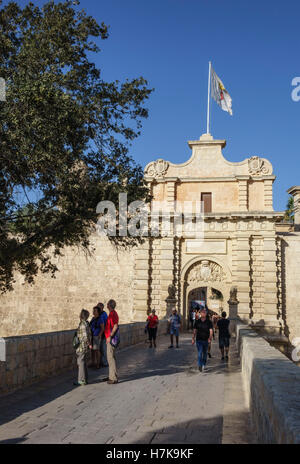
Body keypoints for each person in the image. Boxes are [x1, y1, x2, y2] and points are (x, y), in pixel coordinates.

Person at [74, 309, 92, 386]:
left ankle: (81, 380)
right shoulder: (86, 323)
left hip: (82, 346)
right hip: (84, 346)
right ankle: (85, 379)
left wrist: (89, 344)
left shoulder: (82, 325)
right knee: (83, 362)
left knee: (80, 363)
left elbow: (85, 337)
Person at [192, 307, 213, 372]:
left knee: (205, 353)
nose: (203, 313)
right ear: (200, 313)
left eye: (204, 312)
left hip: (206, 340)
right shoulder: (197, 322)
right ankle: (200, 365)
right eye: (202, 312)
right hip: (199, 340)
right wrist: (193, 338)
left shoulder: (209, 322)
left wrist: (210, 338)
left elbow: (211, 331)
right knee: (200, 352)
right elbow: (195, 331)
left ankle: (203, 363)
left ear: (206, 314)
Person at [104, 299, 119, 384]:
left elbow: (115, 326)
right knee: (110, 357)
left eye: (107, 305)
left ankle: (113, 378)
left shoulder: (113, 314)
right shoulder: (112, 313)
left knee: (111, 358)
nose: (106, 306)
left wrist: (110, 336)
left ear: (110, 306)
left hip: (111, 339)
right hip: (109, 338)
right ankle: (111, 375)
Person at [97, 302, 108, 367]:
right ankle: (101, 362)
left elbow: (105, 324)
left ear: (101, 307)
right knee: (100, 349)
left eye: (98, 307)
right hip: (99, 334)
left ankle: (104, 363)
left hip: (103, 334)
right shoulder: (99, 314)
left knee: (103, 349)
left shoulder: (104, 314)